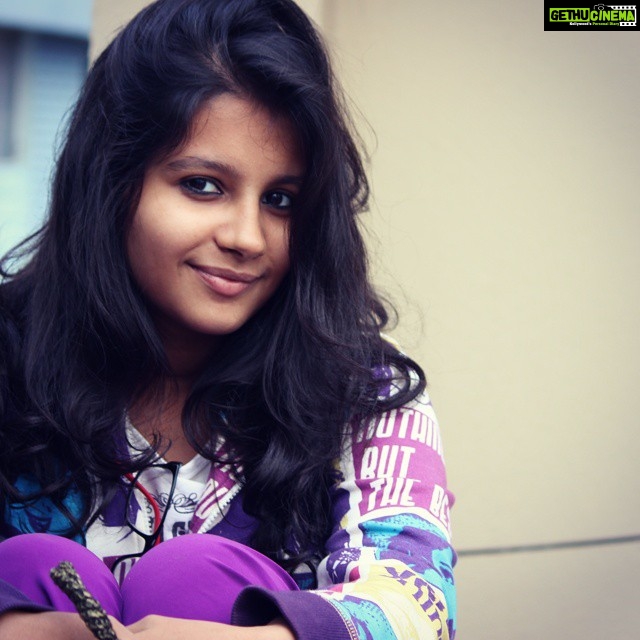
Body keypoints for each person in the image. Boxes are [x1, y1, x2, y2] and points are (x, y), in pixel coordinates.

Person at [0, 0, 456, 638]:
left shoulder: (361, 386)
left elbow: (420, 606)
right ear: (112, 180)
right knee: (31, 565)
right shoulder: (10, 351)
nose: (248, 237)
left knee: (195, 578)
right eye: (203, 185)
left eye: (280, 199)